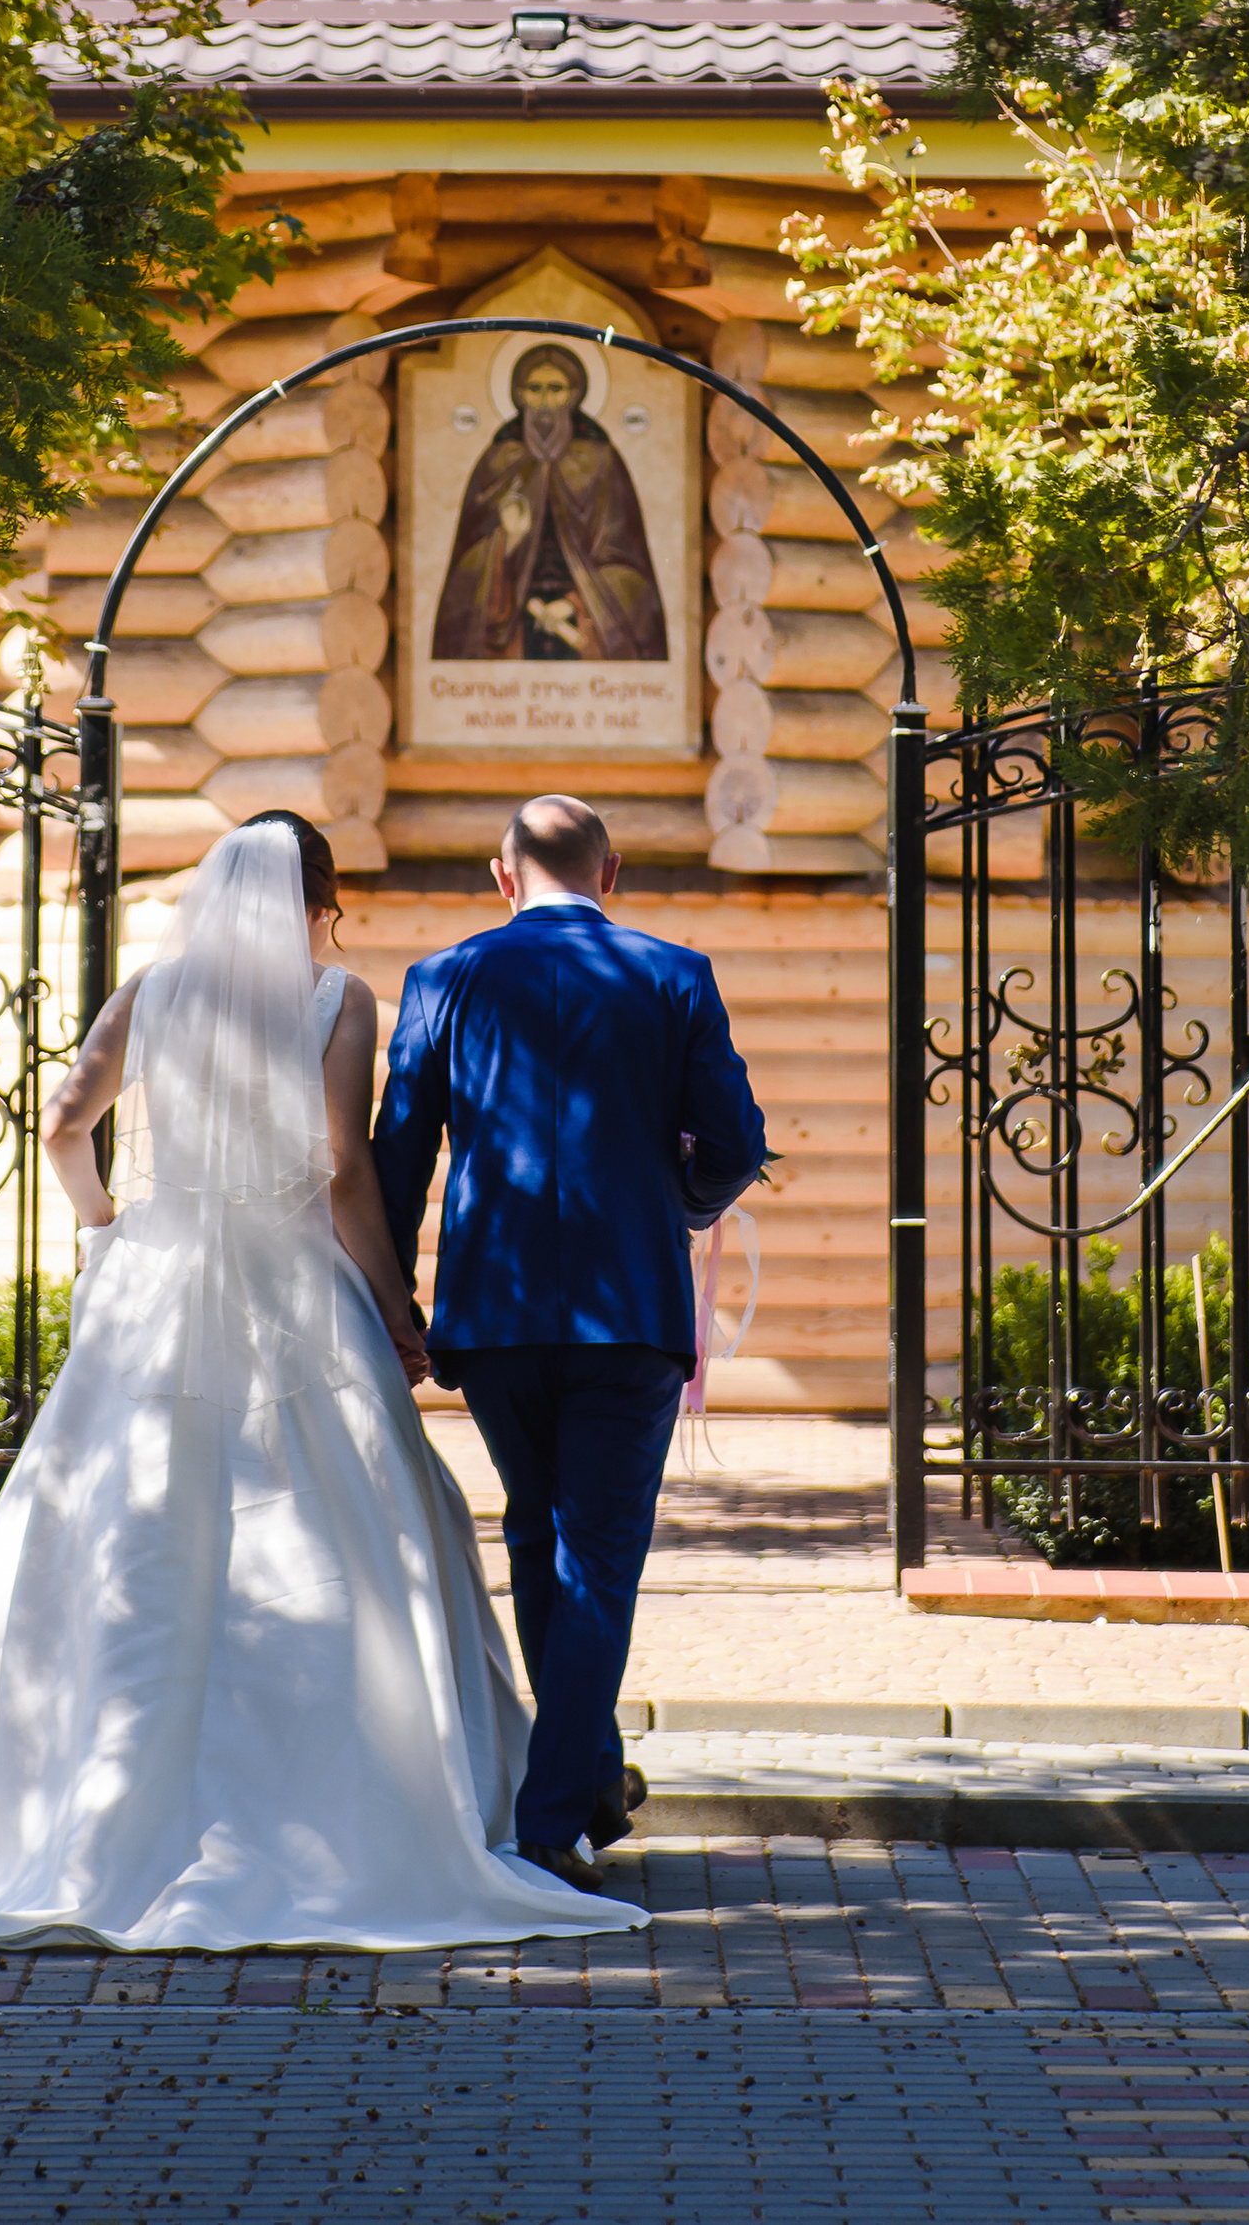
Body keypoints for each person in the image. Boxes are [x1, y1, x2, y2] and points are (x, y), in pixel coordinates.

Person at [0, 811, 644, 1951]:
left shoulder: (149, 993)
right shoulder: (336, 1001)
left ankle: (88, 1817)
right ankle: (372, 1813)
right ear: (321, 900)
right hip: (296, 1290)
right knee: (349, 1531)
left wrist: (106, 1234)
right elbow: (347, 1175)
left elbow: (60, 1125)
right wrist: (398, 1312)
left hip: (158, 1283)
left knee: (123, 1529)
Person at [372, 792, 766, 1894]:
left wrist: (394, 1296)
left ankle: (591, 1777)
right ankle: (552, 1821)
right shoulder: (674, 974)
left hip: (491, 1316)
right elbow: (736, 1143)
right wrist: (676, 1201)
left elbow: (395, 1158)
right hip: (625, 1310)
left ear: (503, 878)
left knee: (542, 1539)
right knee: (593, 1556)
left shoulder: (442, 979)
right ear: (613, 872)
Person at [431, 342, 669, 662]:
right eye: (535, 389)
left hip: (587, 619)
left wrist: (572, 602)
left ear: (573, 396)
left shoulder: (601, 462)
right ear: (519, 395)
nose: (544, 402)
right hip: (511, 622)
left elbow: (629, 568)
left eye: (555, 389)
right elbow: (465, 570)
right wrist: (507, 541)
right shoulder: (500, 460)